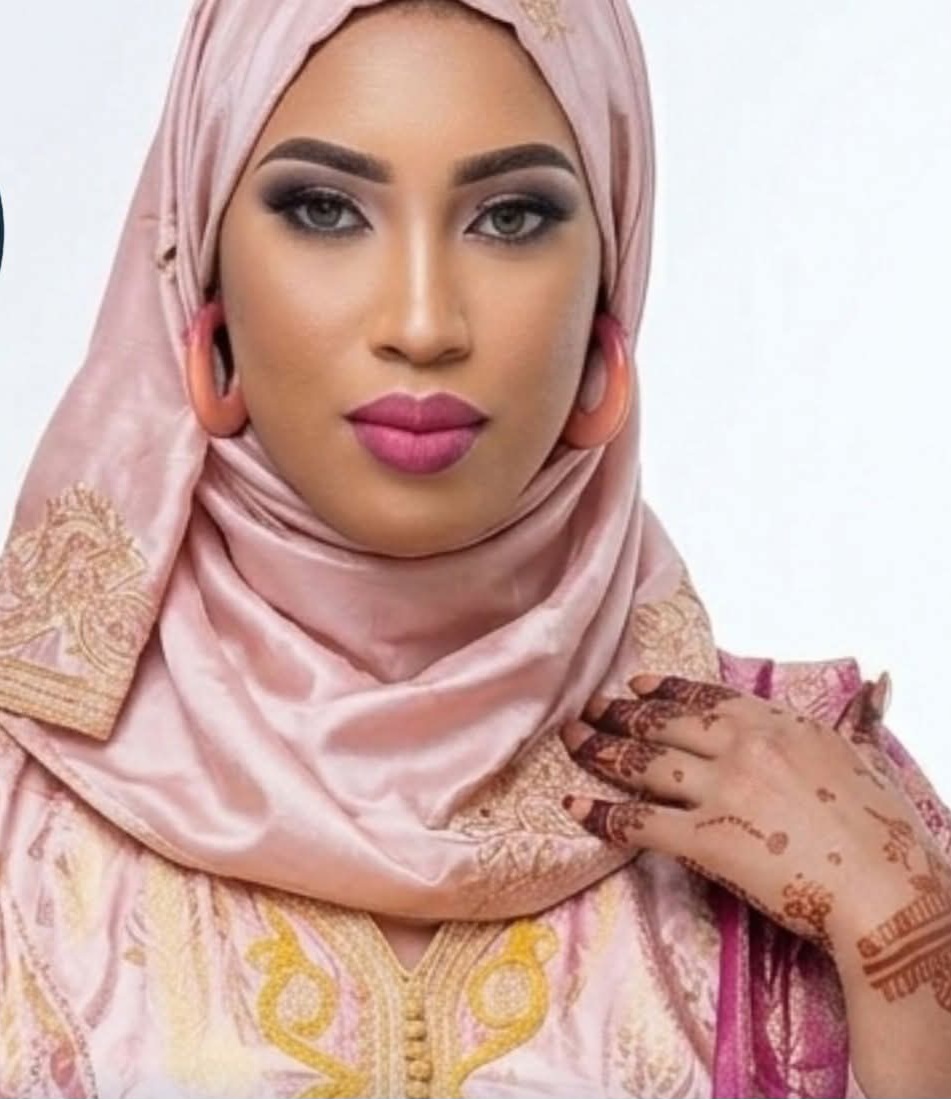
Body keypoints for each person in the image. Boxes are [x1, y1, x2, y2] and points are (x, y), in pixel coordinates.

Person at [0, 1, 949, 1096]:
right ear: (203, 306)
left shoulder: (827, 809)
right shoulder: (25, 801)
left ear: (607, 315)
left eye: (509, 217)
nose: (422, 322)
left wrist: (903, 938)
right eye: (323, 209)